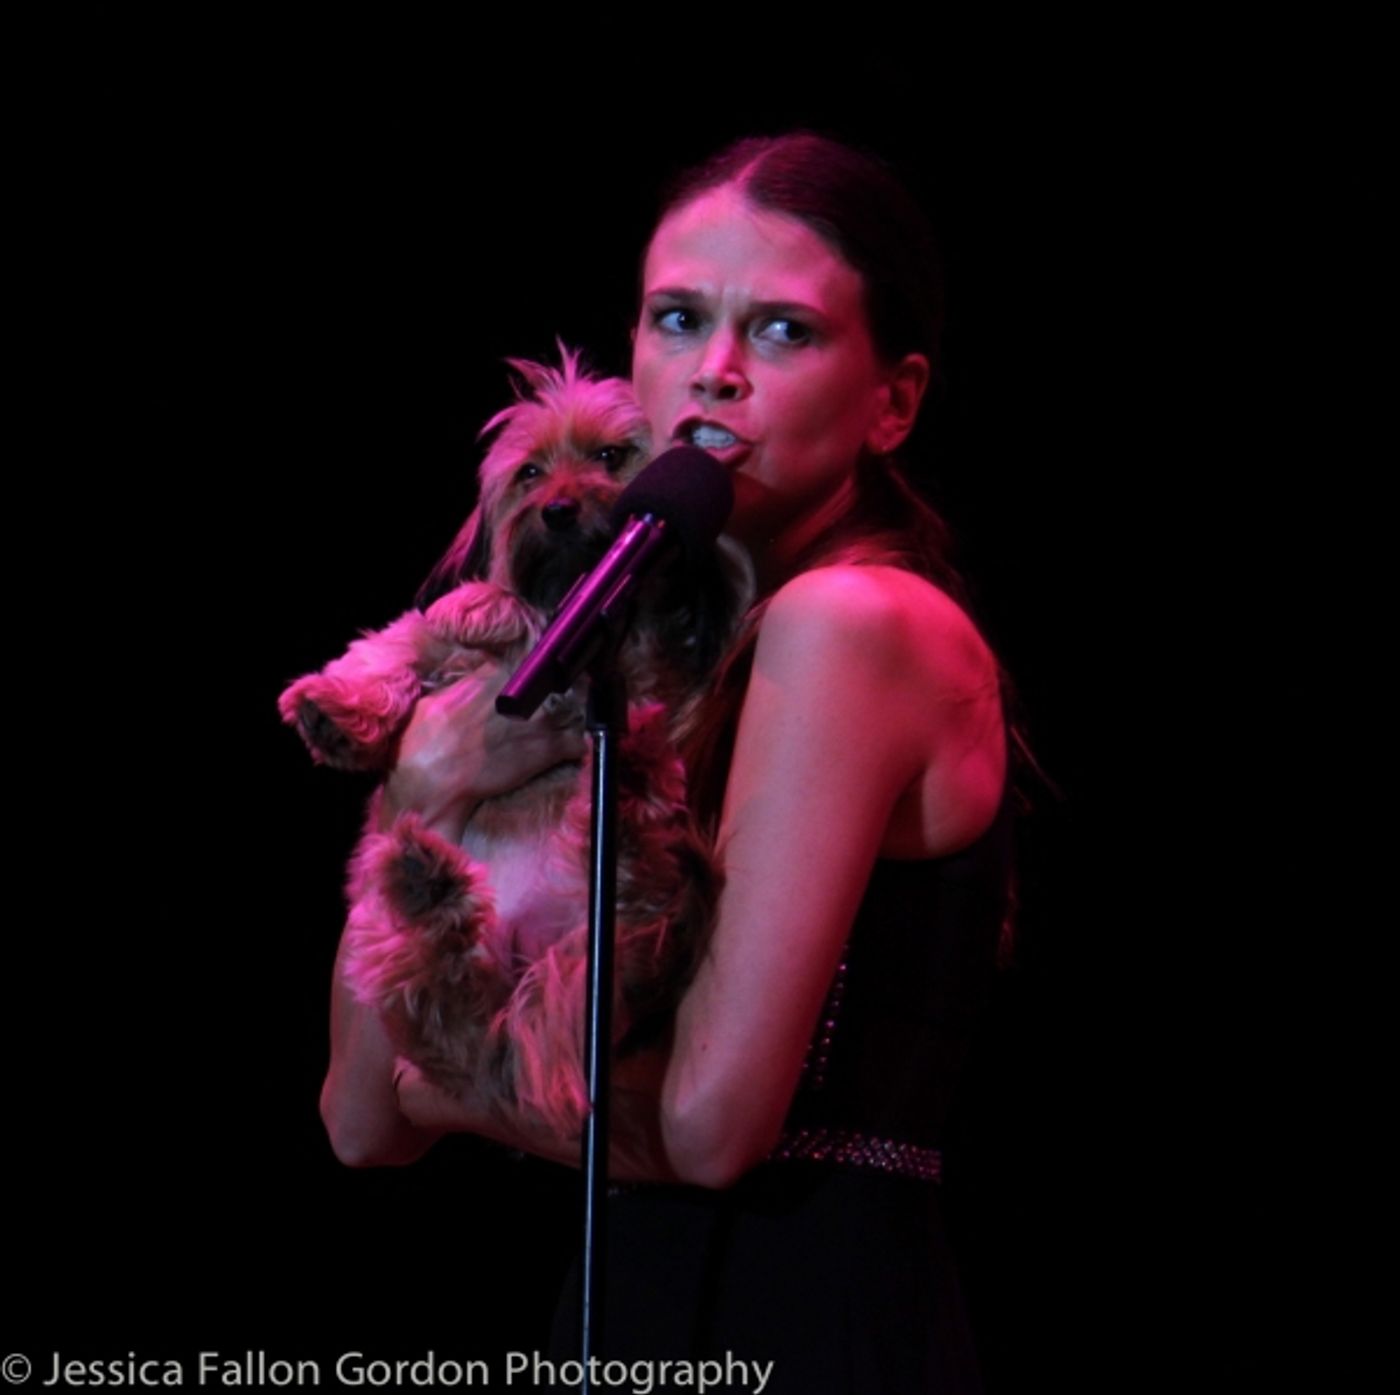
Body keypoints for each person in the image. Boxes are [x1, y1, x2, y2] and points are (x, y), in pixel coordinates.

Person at [320, 132, 1014, 1392]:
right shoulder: (628, 649)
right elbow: (355, 1117)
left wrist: (445, 1098)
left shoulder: (853, 622)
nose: (717, 376)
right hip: (636, 1315)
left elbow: (703, 1131)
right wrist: (425, 785)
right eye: (679, 319)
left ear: (893, 400)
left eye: (786, 333)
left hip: (796, 1324)